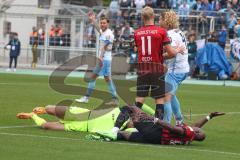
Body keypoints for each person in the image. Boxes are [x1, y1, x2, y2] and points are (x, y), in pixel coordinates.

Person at [133, 6, 184, 120]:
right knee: (159, 100)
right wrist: (174, 51)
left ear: (142, 17)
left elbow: (136, 50)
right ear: (154, 16)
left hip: (143, 69)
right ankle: (159, 126)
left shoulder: (137, 33)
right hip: (157, 69)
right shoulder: (161, 32)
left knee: (139, 99)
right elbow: (171, 53)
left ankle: (132, 122)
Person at [93, 105, 225, 145]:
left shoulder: (189, 133)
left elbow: (172, 128)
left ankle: (113, 130)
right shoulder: (190, 137)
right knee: (125, 135)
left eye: (199, 130)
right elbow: (196, 126)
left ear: (196, 133)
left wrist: (154, 119)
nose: (198, 128)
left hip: (156, 132)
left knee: (130, 108)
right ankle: (104, 137)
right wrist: (209, 116)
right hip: (156, 140)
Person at [75, 12, 119, 106]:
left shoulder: (109, 34)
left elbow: (105, 48)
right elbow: (98, 29)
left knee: (104, 79)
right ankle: (87, 97)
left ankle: (113, 99)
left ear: (108, 24)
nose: (102, 24)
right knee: (98, 78)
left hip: (104, 60)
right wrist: (93, 20)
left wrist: (100, 57)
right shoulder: (104, 32)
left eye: (104, 23)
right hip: (104, 59)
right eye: (101, 23)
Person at [16, 104, 155, 133]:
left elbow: (142, 133)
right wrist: (154, 114)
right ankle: (42, 110)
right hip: (83, 114)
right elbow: (137, 105)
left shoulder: (124, 131)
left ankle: (32, 116)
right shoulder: (123, 112)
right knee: (50, 108)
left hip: (83, 127)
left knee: (46, 126)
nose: (134, 125)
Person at [159, 11, 189, 124]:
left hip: (175, 70)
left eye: (160, 19)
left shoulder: (170, 34)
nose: (159, 22)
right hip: (183, 68)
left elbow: (171, 53)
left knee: (165, 97)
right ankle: (179, 121)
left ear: (165, 21)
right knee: (171, 95)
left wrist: (159, 57)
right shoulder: (179, 32)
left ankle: (166, 125)